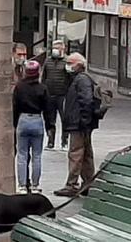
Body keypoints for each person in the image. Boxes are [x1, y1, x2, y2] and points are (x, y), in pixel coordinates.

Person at [54, 53, 98, 198]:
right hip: (82, 123)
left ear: (78, 64)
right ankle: (87, 183)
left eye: (70, 63)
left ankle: (72, 184)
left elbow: (86, 100)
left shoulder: (81, 80)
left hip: (79, 123)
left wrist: (84, 120)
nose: (67, 65)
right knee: (85, 154)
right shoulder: (80, 79)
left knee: (76, 153)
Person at [13, 60, 48, 193]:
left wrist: (15, 123)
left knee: (22, 154)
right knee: (37, 155)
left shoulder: (19, 87)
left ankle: (22, 185)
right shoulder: (42, 88)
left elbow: (15, 106)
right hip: (37, 119)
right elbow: (48, 107)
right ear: (38, 73)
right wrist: (49, 124)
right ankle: (35, 185)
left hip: (23, 119)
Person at [41, 40, 69, 150]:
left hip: (62, 95)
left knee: (65, 119)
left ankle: (64, 141)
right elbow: (44, 76)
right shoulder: (48, 61)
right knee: (49, 119)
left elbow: (69, 78)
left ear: (63, 49)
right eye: (54, 48)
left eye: (58, 48)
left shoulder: (67, 61)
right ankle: (50, 141)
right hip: (50, 94)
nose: (55, 50)